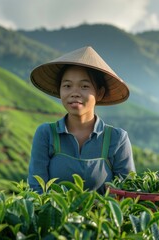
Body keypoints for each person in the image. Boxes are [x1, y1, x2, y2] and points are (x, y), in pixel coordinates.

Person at [27, 46, 135, 194]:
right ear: (60, 90)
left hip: (102, 217)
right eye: (67, 86)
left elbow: (127, 193)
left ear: (100, 93)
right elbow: (36, 189)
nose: (74, 93)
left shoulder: (116, 139)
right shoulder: (46, 134)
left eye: (84, 86)